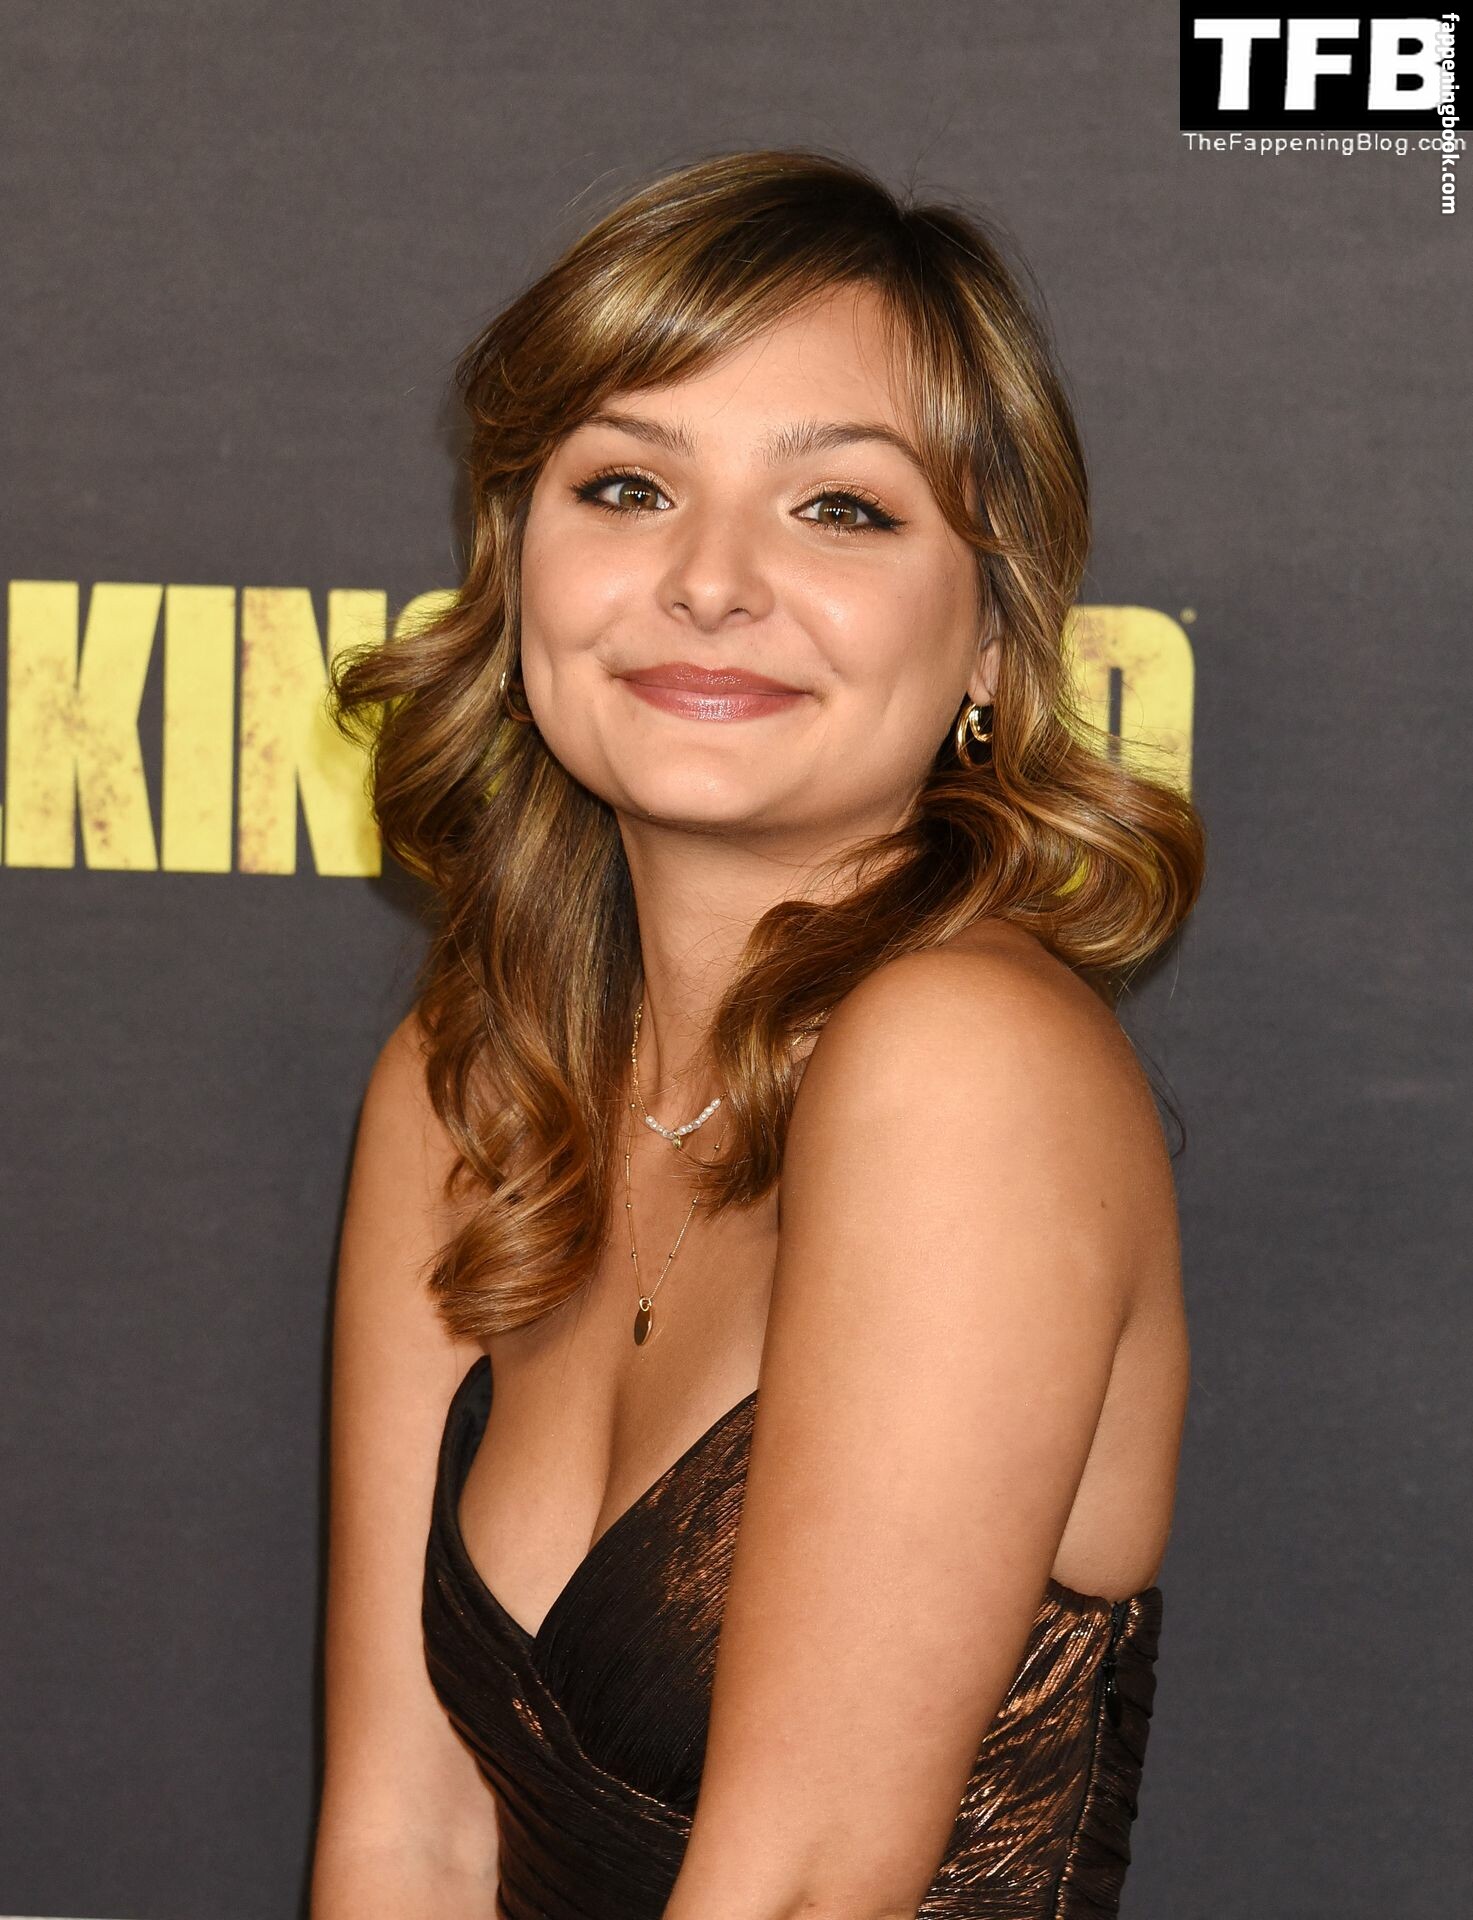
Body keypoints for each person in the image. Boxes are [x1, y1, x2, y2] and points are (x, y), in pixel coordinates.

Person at [310, 147, 1205, 1920]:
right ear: (518, 573)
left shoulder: (966, 1065)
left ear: (990, 641)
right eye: (627, 486)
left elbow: (805, 1887)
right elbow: (406, 1841)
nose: (708, 581)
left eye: (840, 508)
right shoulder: (473, 1080)